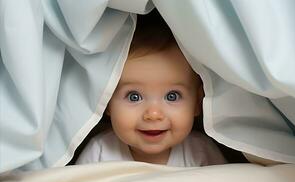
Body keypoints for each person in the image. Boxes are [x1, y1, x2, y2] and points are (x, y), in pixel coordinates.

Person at [76, 10, 226, 167]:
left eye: (172, 96)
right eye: (134, 96)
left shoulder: (200, 152)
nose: (153, 115)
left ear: (197, 102)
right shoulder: (100, 153)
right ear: (106, 101)